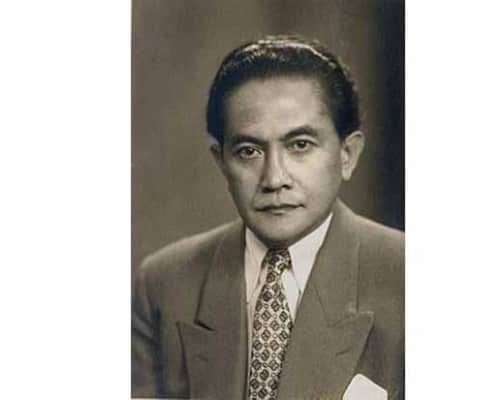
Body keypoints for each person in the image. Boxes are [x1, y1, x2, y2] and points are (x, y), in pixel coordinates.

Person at [132, 35, 404, 400]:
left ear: (347, 154)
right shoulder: (164, 286)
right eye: (249, 151)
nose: (274, 178)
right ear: (221, 161)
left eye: (300, 145)